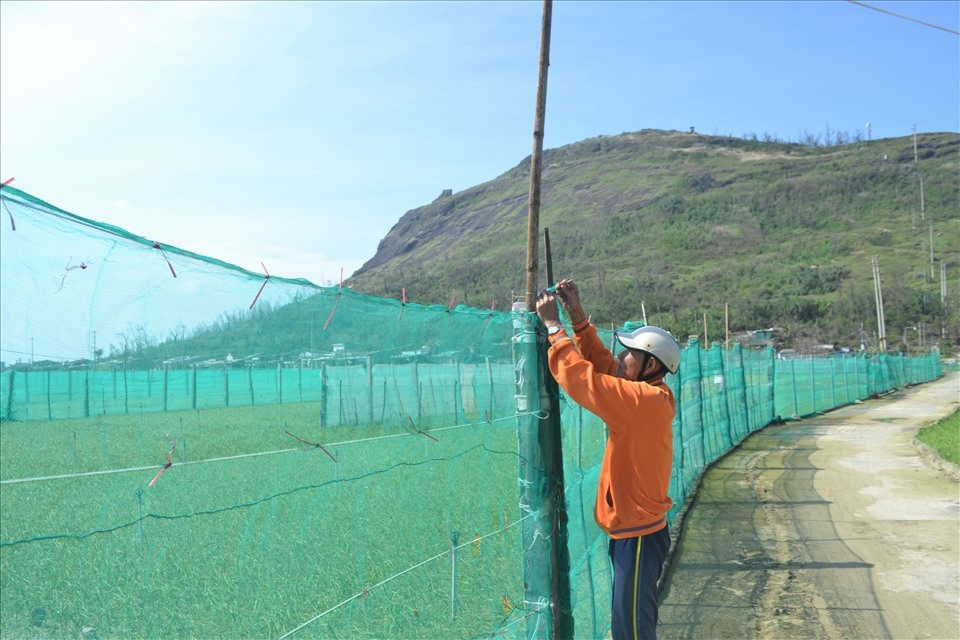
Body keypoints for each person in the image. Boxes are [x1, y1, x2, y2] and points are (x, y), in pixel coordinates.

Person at [535, 278, 680, 640]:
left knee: (630, 630)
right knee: (631, 622)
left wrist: (555, 328)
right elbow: (606, 368)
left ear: (649, 365)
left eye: (630, 352)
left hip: (640, 534)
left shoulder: (640, 403)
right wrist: (577, 318)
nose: (620, 355)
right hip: (638, 530)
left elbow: (584, 380)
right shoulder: (648, 393)